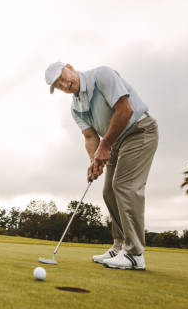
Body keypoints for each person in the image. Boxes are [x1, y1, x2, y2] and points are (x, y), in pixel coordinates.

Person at [45, 62, 158, 270]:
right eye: (58, 86)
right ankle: (120, 246)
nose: (64, 85)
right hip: (115, 142)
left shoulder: (102, 76)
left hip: (140, 131)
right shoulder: (75, 107)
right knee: (109, 192)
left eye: (63, 78)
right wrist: (94, 161)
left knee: (123, 185)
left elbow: (125, 110)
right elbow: (89, 137)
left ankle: (134, 254)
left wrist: (104, 146)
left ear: (69, 67)